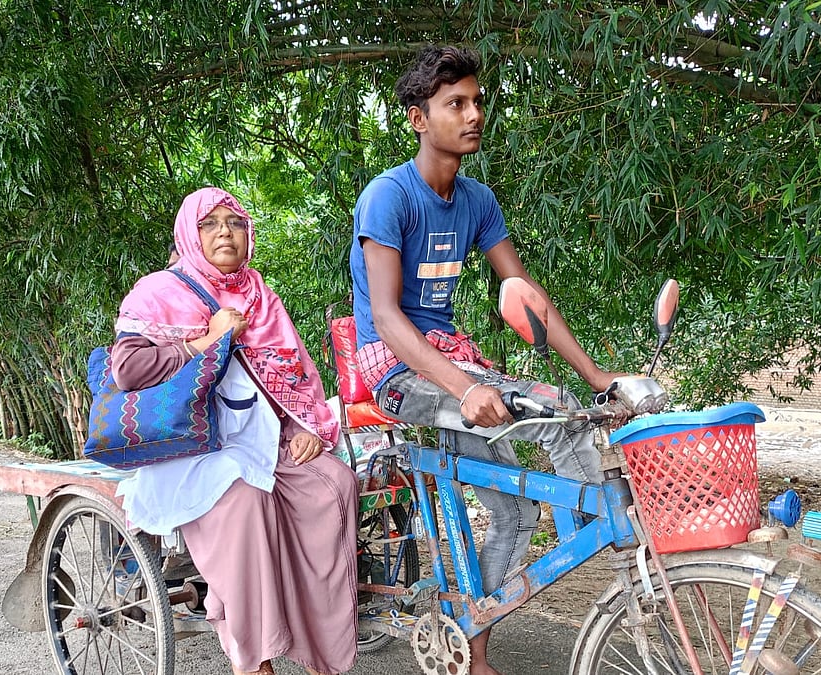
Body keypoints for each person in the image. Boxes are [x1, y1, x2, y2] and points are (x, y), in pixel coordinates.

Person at [348, 45, 625, 675]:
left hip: (455, 364)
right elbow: (389, 321)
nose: (475, 114)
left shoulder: (476, 199)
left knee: (555, 419)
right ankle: (480, 648)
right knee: (510, 490)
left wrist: (598, 378)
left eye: (477, 101)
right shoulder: (388, 197)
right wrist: (464, 390)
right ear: (419, 117)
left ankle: (592, 533)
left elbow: (529, 299)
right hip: (397, 372)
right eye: (456, 104)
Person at [112, 187, 358, 675]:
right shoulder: (161, 292)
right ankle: (253, 658)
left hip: (262, 436)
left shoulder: (261, 297)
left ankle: (319, 649)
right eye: (211, 223)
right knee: (247, 501)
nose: (226, 231)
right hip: (193, 444)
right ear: (190, 234)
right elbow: (128, 369)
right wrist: (209, 338)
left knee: (333, 486)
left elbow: (292, 371)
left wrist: (302, 424)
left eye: (236, 222)